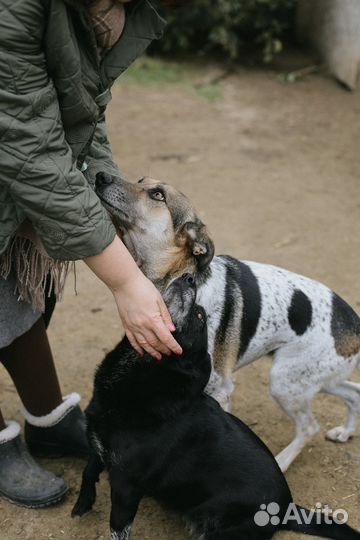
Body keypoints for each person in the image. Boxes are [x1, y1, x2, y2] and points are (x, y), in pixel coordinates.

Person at [0, 0, 185, 508]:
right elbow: (28, 144)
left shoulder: (125, 8)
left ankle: (48, 421)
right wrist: (125, 281)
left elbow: (82, 114)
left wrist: (110, 197)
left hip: (16, 148)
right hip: (13, 142)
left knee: (14, 294)